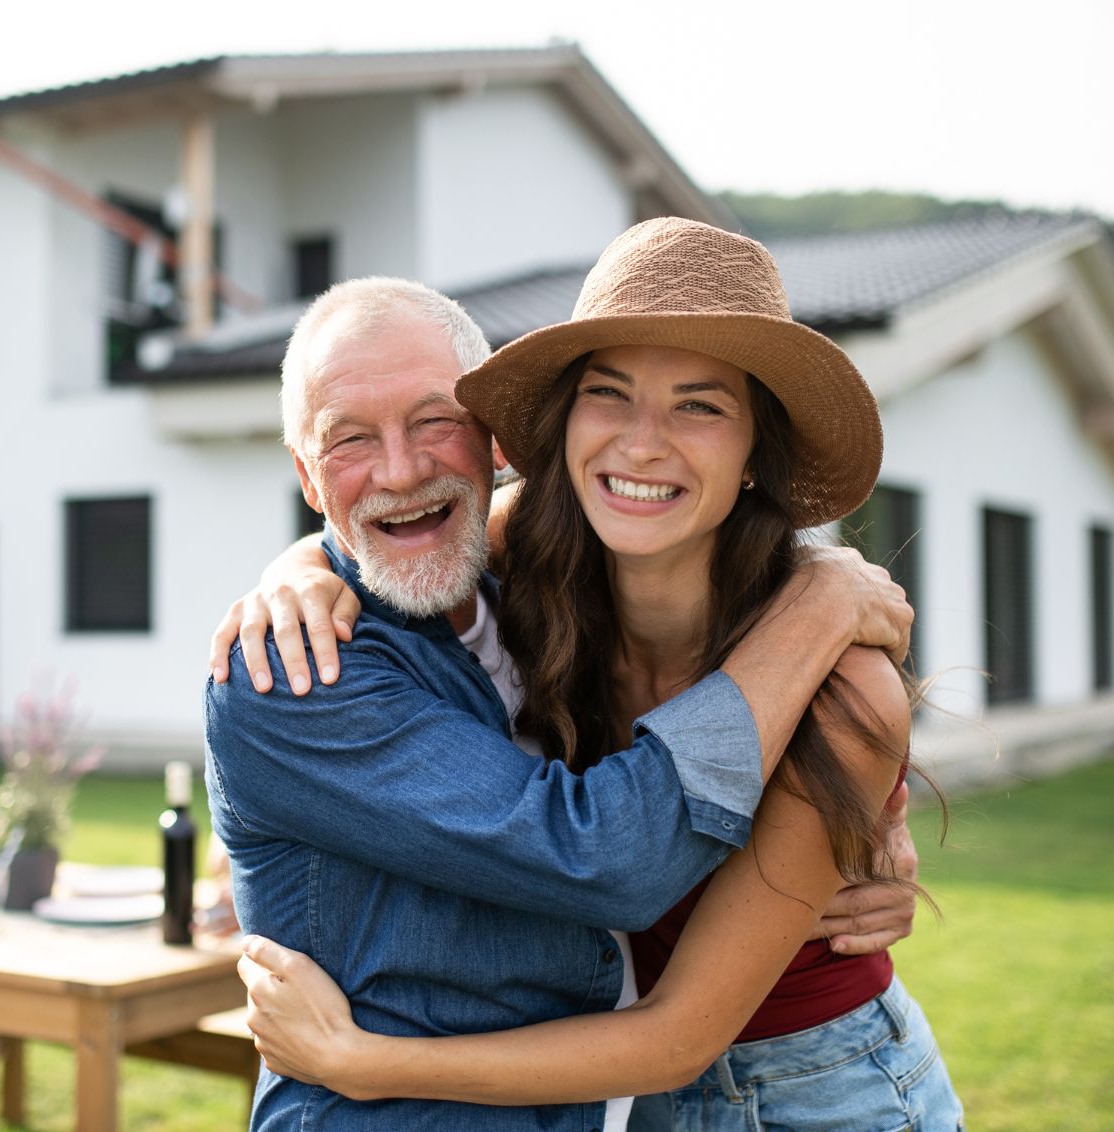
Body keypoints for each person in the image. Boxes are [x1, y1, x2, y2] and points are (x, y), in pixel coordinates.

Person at [226, 219, 962, 1129]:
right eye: (609, 394)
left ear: (753, 457)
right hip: (619, 1097)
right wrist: (291, 573)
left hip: (818, 1090)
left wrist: (367, 1064)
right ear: (563, 425)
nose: (642, 445)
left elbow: (679, 1033)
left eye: (700, 405)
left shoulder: (841, 689)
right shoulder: (536, 563)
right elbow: (391, 521)